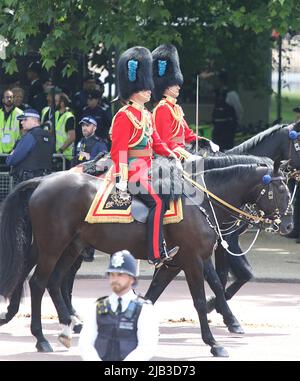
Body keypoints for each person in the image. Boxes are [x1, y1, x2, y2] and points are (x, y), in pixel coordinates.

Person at [110, 46, 179, 269]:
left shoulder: (146, 115)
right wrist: (121, 182)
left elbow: (157, 142)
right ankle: (155, 253)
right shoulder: (124, 115)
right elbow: (118, 151)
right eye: (145, 87)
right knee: (157, 203)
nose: (150, 90)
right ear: (135, 88)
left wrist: (171, 156)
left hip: (148, 169)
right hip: (132, 170)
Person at [78, 250, 159, 361]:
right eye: (112, 274)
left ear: (132, 278)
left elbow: (147, 347)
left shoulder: (145, 309)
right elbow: (85, 344)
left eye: (120, 274)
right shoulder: (97, 306)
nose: (115, 279)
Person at [152, 44, 219, 159]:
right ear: (165, 85)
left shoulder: (175, 109)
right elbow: (166, 143)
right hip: (168, 160)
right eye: (175, 84)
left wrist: (206, 143)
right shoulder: (163, 108)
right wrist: (187, 156)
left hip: (181, 155)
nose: (179, 87)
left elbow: (188, 136)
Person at [6, 108, 54, 184]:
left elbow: (11, 160)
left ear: (35, 120)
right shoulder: (48, 136)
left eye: (25, 120)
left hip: (28, 183)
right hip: (45, 181)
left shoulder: (30, 136)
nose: (21, 122)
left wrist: (10, 156)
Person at [211, 68, 243, 150]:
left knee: (218, 150)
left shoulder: (219, 94)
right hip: (227, 128)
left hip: (219, 128)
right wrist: (237, 122)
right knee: (226, 149)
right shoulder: (231, 94)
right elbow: (239, 110)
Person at [54, 93, 76, 169]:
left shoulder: (69, 117)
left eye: (56, 101)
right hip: (57, 155)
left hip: (65, 156)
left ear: (62, 103)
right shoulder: (55, 114)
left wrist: (61, 150)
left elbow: (72, 137)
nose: (54, 103)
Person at [0, 89, 23, 155]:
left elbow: (23, 133)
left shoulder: (20, 113)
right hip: (0, 151)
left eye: (11, 97)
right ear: (3, 99)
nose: (9, 99)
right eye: (7, 97)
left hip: (14, 151)